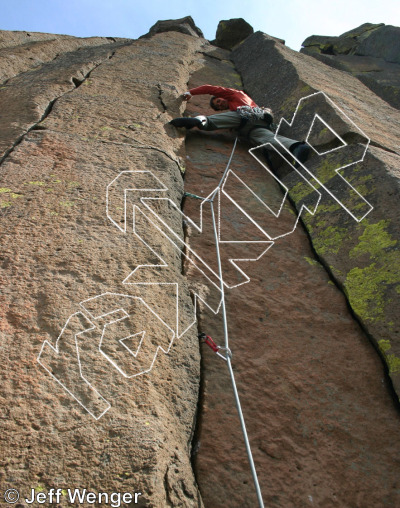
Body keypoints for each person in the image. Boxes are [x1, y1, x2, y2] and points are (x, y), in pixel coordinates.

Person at [169, 84, 310, 168]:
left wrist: (191, 92)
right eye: (217, 106)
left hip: (250, 115)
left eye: (218, 101)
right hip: (255, 126)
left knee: (220, 119)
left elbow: (209, 88)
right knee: (264, 139)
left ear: (223, 97)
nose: (219, 104)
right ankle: (297, 147)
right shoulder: (232, 110)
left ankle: (199, 121)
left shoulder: (235, 95)